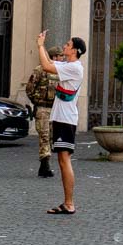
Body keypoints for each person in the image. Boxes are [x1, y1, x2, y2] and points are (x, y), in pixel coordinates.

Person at [35, 29, 85, 216]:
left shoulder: (74, 68)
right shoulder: (68, 65)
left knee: (64, 160)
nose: (65, 46)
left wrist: (40, 45)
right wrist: (42, 47)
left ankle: (69, 203)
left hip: (66, 119)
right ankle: (67, 202)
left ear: (75, 51)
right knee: (62, 160)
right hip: (62, 118)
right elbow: (47, 63)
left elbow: (47, 67)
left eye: (68, 45)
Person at [25, 46, 61, 178]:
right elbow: (29, 88)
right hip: (42, 107)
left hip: (56, 109)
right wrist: (36, 101)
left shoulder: (60, 71)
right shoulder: (40, 70)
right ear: (54, 56)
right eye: (59, 56)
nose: (61, 58)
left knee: (52, 137)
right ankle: (45, 165)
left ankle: (45, 164)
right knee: (44, 136)